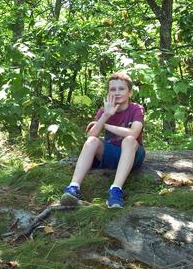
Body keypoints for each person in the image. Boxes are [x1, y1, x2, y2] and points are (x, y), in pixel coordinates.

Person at [60, 72, 145, 208]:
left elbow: (134, 133)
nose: (117, 93)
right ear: (108, 92)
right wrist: (105, 115)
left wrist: (105, 125)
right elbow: (91, 136)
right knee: (92, 141)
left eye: (121, 89)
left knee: (128, 140)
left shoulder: (136, 109)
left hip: (132, 154)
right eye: (113, 89)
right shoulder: (104, 110)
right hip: (110, 154)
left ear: (130, 92)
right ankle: (73, 188)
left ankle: (116, 190)